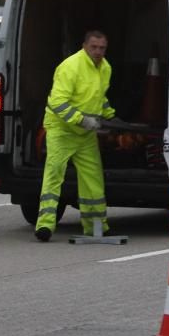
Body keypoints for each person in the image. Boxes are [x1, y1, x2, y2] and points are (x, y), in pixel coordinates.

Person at [34, 31, 117, 242]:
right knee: (54, 175)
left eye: (102, 48)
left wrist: (110, 116)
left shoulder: (105, 68)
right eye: (94, 47)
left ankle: (96, 226)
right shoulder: (71, 66)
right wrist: (82, 120)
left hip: (85, 134)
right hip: (62, 130)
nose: (98, 52)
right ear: (84, 46)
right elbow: (57, 102)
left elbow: (98, 97)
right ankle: (45, 225)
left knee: (93, 179)